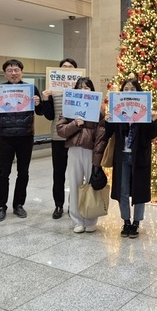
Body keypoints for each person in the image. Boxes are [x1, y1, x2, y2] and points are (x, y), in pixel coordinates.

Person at [0, 59, 43, 222]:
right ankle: (2, 206)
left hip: (26, 136)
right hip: (6, 136)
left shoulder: (31, 88)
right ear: (5, 73)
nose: (13, 73)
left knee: (23, 172)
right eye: (10, 70)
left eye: (16, 70)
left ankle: (18, 204)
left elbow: (39, 112)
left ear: (22, 72)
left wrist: (39, 103)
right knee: (3, 173)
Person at [105, 78, 157, 238]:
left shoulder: (145, 111)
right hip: (122, 157)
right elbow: (108, 134)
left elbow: (152, 135)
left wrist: (153, 121)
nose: (129, 91)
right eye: (126, 89)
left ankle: (136, 222)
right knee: (122, 191)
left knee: (139, 191)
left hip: (139, 157)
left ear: (138, 92)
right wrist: (108, 121)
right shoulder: (117, 110)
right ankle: (126, 221)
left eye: (132, 89)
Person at [56, 77, 106, 233]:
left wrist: (97, 158)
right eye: (80, 87)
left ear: (91, 90)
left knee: (92, 185)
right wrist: (74, 124)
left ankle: (91, 219)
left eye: (87, 87)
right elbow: (61, 130)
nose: (84, 90)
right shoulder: (68, 108)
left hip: (91, 151)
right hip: (74, 150)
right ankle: (77, 220)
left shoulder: (99, 111)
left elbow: (101, 135)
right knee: (75, 184)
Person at [41, 58, 78, 219]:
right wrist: (45, 99)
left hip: (76, 137)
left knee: (76, 174)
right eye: (64, 67)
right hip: (57, 137)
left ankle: (74, 205)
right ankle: (58, 205)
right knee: (59, 174)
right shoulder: (52, 91)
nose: (67, 69)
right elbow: (49, 116)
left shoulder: (81, 90)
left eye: (71, 67)